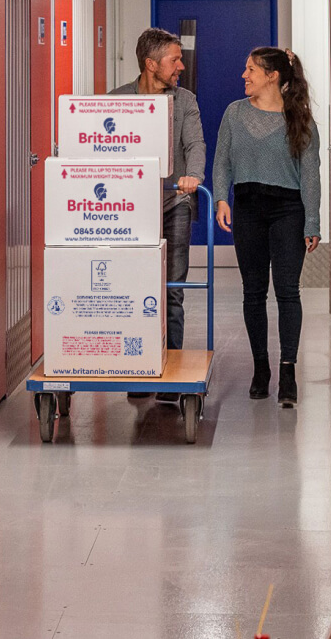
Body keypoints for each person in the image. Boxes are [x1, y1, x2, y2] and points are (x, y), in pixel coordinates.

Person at [213, 47, 321, 407]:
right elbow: (222, 161)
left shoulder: (300, 119)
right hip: (247, 208)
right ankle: (261, 368)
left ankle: (287, 370)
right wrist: (221, 198)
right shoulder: (234, 113)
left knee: (287, 291)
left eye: (251, 70)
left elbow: (310, 178)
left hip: (288, 210)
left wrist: (312, 221)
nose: (244, 76)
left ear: (272, 75)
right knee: (253, 291)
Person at [111, 28, 206, 400]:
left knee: (172, 291)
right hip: (129, 210)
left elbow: (195, 143)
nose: (181, 66)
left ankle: (173, 376)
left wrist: (193, 176)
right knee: (134, 290)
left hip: (173, 204)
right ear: (151, 65)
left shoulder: (184, 100)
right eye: (174, 60)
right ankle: (139, 368)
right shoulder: (117, 100)